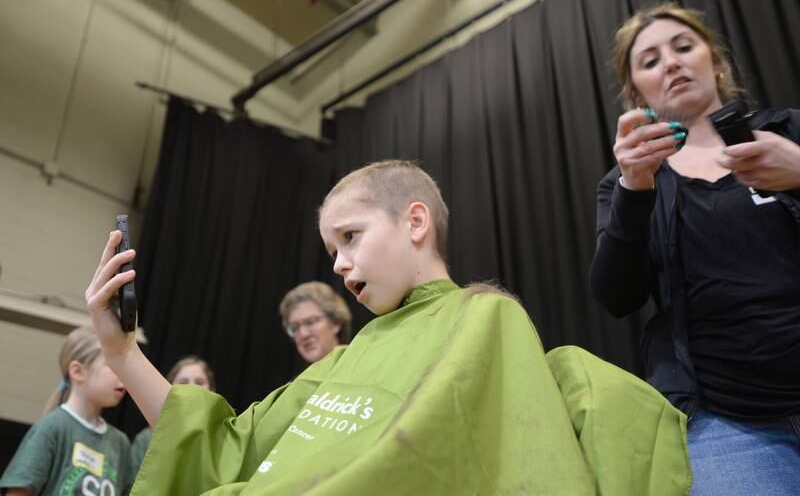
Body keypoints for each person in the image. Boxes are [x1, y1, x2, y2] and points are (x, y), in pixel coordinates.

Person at [86, 160, 689, 495]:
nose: (340, 263)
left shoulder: (486, 314)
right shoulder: (347, 358)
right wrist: (118, 349)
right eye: (330, 251)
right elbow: (222, 445)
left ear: (415, 221)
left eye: (350, 237)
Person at [590, 2, 800, 495]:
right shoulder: (626, 184)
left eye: (684, 47)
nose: (671, 63)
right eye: (650, 60)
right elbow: (616, 297)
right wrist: (633, 188)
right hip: (728, 422)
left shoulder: (788, 132)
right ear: (634, 93)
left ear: (716, 62)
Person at [0, 327, 135, 495]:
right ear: (78, 371)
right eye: (112, 366)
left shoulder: (120, 443)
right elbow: (18, 491)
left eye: (123, 366)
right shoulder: (52, 428)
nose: (123, 374)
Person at [130, 355, 215, 472]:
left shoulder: (220, 437)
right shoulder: (146, 439)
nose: (192, 387)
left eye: (199, 382)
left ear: (211, 389)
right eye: (183, 382)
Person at [279, 281, 351, 364]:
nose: (303, 334)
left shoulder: (358, 366)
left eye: (310, 322)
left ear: (335, 322)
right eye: (294, 327)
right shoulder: (304, 376)